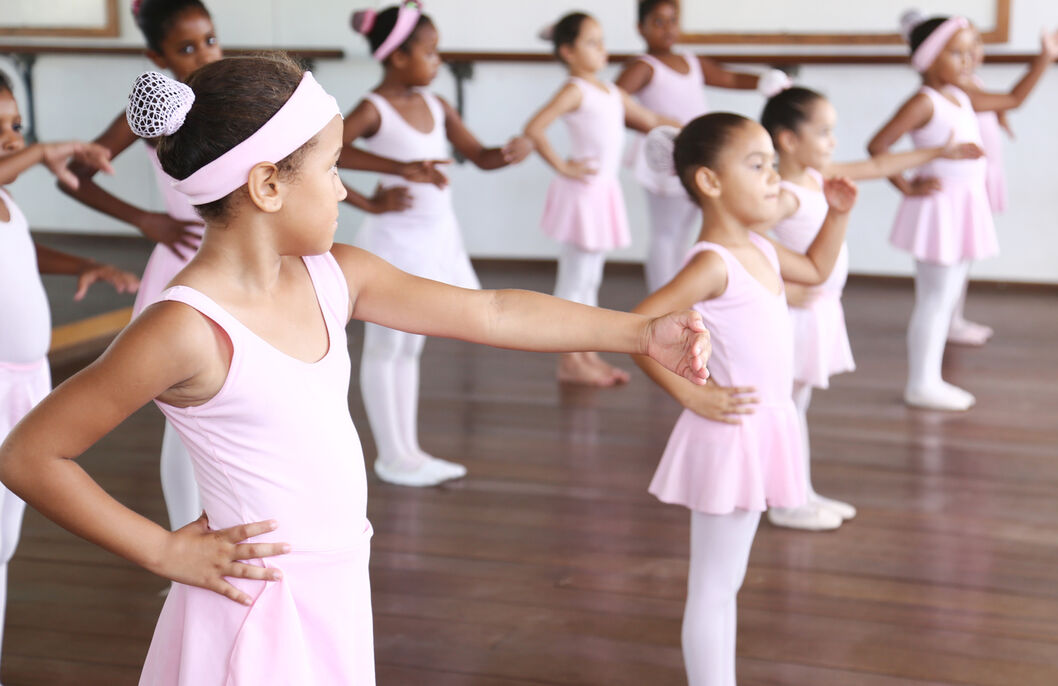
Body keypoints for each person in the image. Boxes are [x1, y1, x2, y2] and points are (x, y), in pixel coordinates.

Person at [0, 54, 711, 685]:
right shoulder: (185, 327)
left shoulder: (335, 276)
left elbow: (492, 311)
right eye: (332, 168)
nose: (344, 190)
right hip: (256, 601)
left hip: (336, 579)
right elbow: (31, 453)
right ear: (267, 187)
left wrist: (641, 332)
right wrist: (161, 550)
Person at [634, 115, 857, 685]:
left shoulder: (759, 245)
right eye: (757, 165)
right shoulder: (710, 262)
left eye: (773, 166)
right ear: (709, 182)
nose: (773, 178)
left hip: (762, 425)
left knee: (725, 583)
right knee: (712, 587)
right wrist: (693, 396)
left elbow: (815, 270)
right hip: (728, 432)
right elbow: (635, 329)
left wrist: (835, 214)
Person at [760, 84, 982, 530]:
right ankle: (784, 500)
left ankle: (799, 490)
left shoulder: (817, 177)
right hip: (793, 313)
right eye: (824, 132)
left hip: (817, 310)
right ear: (788, 139)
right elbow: (745, 241)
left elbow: (880, 164)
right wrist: (781, 285)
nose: (833, 141)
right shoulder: (781, 193)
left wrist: (940, 151)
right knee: (784, 407)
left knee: (796, 405)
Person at [341, 0, 534, 486]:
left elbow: (480, 156)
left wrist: (510, 151)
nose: (438, 60)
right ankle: (390, 454)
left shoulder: (436, 103)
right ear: (398, 56)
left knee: (411, 347)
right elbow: (325, 151)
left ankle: (408, 451)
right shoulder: (374, 108)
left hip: (436, 240)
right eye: (430, 52)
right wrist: (383, 187)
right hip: (394, 244)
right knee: (387, 345)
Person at [0, 73, 138, 671]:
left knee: (4, 541)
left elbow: (21, 250)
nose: (9, 140)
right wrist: (39, 152)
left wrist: (85, 262)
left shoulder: (6, 201)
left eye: (15, 127)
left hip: (27, 382)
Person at [868, 14, 1058, 410]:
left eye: (971, 51)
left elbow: (1013, 99)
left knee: (943, 297)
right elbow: (878, 146)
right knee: (935, 299)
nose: (969, 60)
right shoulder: (923, 102)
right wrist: (907, 186)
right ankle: (922, 383)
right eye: (956, 52)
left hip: (961, 205)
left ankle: (926, 379)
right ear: (927, 58)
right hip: (939, 209)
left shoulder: (961, 95)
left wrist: (1045, 57)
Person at [525, 10, 675, 386]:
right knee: (575, 280)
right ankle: (568, 359)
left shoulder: (610, 90)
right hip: (582, 193)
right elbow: (534, 128)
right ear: (568, 51)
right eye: (591, 42)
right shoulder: (574, 89)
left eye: (602, 40)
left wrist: (693, 128)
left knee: (590, 279)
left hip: (601, 191)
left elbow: (648, 116)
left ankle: (584, 353)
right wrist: (563, 166)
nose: (601, 49)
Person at [617, 0, 791, 292]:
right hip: (666, 157)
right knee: (666, 231)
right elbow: (612, 102)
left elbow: (729, 78)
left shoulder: (691, 61)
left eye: (672, 20)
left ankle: (685, 293)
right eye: (658, 22)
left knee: (687, 228)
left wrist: (763, 81)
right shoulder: (643, 66)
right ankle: (662, 295)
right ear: (640, 27)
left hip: (698, 153)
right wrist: (654, 123)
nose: (668, 28)